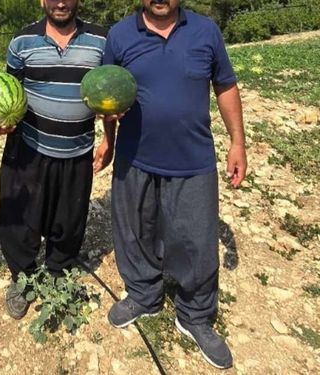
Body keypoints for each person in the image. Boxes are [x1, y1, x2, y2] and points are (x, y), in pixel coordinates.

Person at [100, 0, 247, 369]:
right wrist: (109, 136)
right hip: (135, 159)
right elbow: (106, 94)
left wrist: (238, 142)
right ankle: (143, 294)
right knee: (134, 232)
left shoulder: (205, 31)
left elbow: (225, 86)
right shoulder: (119, 36)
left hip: (193, 159)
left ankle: (195, 313)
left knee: (196, 238)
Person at [0, 0, 115, 320]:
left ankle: (59, 271)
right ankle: (23, 278)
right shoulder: (21, 42)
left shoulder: (102, 41)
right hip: (29, 150)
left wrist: (110, 138)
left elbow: (109, 93)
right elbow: (9, 93)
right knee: (21, 220)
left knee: (69, 220)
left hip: (78, 149)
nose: (60, 2)